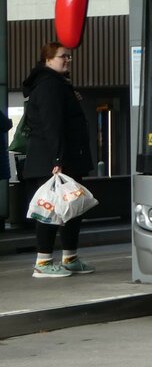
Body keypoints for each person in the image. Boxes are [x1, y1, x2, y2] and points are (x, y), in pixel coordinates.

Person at [21, 42, 94, 278]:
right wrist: (58, 158)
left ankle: (70, 258)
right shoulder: (49, 86)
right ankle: (42, 263)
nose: (67, 60)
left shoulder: (59, 85)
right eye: (63, 56)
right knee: (50, 210)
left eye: (69, 57)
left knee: (71, 209)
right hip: (51, 161)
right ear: (47, 60)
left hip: (63, 159)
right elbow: (52, 125)